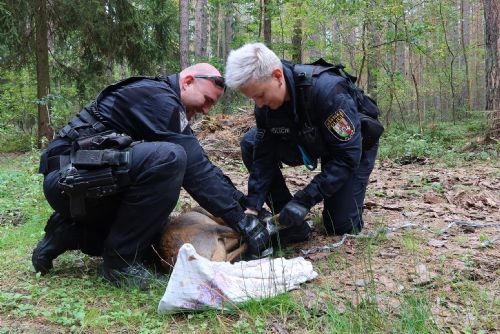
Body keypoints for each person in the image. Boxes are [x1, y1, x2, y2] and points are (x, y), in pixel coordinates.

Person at [33, 63, 271, 289]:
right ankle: (120, 263)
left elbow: (203, 165)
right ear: (188, 81)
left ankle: (69, 233)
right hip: (68, 179)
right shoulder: (156, 98)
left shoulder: (163, 102)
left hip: (86, 186)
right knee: (170, 158)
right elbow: (195, 170)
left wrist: (250, 209)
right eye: (207, 100)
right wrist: (241, 221)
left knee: (154, 245)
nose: (206, 110)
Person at [225, 43, 379, 245]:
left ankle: (305, 208)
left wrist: (305, 199)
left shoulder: (328, 91)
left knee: (340, 225)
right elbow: (263, 155)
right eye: (253, 98)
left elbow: (347, 157)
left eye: (261, 95)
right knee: (251, 143)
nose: (259, 104)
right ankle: (289, 220)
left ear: (278, 76)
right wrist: (253, 207)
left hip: (350, 149)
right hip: (308, 140)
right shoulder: (264, 106)